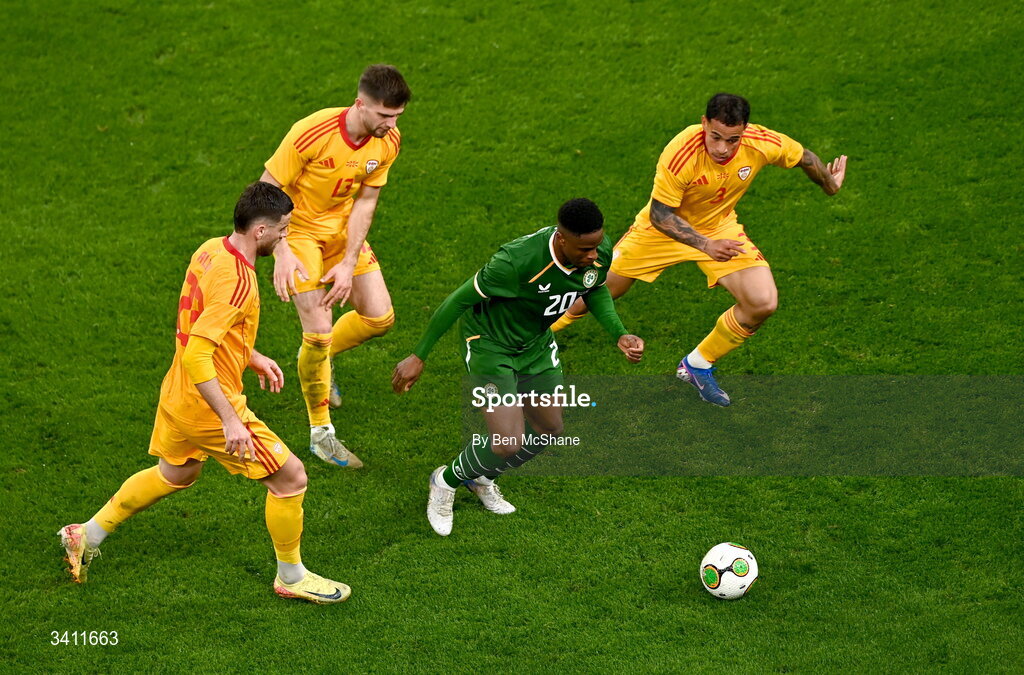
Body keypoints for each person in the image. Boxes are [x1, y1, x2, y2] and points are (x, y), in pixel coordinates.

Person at [58, 182, 350, 604]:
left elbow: (203, 326)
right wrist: (231, 420)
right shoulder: (240, 284)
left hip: (177, 394)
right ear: (261, 232)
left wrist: (250, 355)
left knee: (176, 474)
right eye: (283, 230)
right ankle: (291, 576)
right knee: (291, 478)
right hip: (208, 404)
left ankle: (86, 534)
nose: (287, 237)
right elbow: (200, 354)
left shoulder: (211, 249)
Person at [552, 93, 848, 406]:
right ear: (704, 123)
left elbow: (805, 157)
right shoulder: (682, 152)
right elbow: (660, 214)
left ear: (744, 131)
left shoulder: (762, 142)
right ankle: (534, 333)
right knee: (594, 291)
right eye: (716, 136)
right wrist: (706, 245)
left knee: (762, 302)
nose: (723, 148)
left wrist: (831, 185)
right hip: (660, 231)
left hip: (719, 228)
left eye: (733, 140)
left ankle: (697, 364)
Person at [392, 198, 644, 536]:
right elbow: (459, 300)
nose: (594, 256)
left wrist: (619, 333)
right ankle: (444, 480)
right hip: (491, 346)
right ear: (561, 238)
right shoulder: (515, 261)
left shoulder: (597, 249)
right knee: (507, 441)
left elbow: (593, 288)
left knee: (550, 430)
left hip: (536, 345)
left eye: (597, 246)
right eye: (585, 249)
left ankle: (483, 478)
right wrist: (419, 355)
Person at [259, 64, 412, 468]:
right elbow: (266, 192)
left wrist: (348, 262)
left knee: (380, 318)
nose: (391, 124)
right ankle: (320, 434)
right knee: (319, 331)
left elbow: (366, 201)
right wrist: (281, 249)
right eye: (384, 115)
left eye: (397, 116)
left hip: (341, 234)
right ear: (360, 103)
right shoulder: (312, 132)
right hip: (299, 234)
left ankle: (320, 363)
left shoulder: (388, 141)